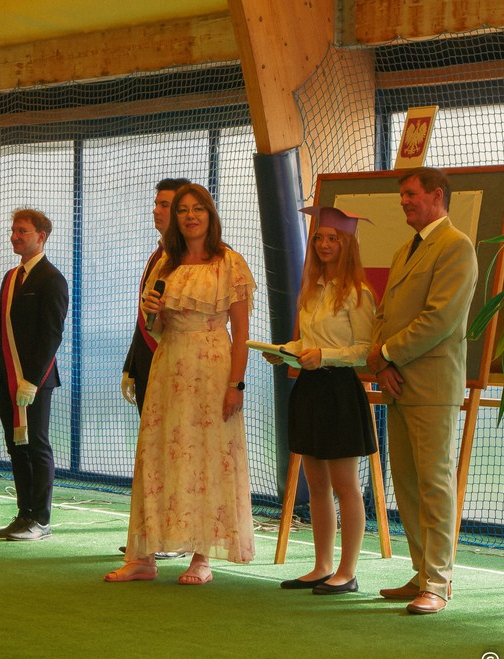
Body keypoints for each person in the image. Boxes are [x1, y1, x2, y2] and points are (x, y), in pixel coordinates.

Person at [105, 183, 256, 585]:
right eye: (183, 210)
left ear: (210, 215)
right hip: (168, 365)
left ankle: (202, 558)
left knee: (208, 456)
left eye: (198, 209)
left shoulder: (230, 263)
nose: (190, 217)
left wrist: (236, 385)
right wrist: (152, 313)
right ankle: (143, 556)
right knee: (158, 454)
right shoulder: (165, 264)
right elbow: (155, 326)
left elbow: (241, 332)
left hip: (212, 368)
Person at [366, 167, 477, 615]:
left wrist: (386, 353)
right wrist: (381, 362)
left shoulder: (456, 246)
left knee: (434, 484)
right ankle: (421, 572)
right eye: (402, 195)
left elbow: (440, 319)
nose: (404, 201)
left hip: (432, 385)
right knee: (408, 485)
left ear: (436, 195)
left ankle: (439, 582)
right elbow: (385, 313)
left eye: (411, 193)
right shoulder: (404, 250)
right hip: (397, 383)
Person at [267, 205, 377, 596]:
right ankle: (322, 566)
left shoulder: (359, 294)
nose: (324, 245)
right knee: (315, 484)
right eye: (319, 238)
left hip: (339, 389)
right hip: (310, 387)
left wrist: (324, 356)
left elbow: (365, 350)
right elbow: (308, 342)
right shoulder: (311, 289)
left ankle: (348, 572)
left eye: (333, 239)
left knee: (345, 484)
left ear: (347, 245)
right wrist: (285, 351)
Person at [0, 208, 69, 541]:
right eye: (13, 230)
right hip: (5, 376)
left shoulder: (52, 279)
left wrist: (31, 380)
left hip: (35, 381)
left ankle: (41, 520)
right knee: (15, 447)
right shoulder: (10, 277)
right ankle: (24, 515)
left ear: (41, 236)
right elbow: (2, 328)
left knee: (36, 446)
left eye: (22, 231)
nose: (14, 236)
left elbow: (52, 335)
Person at [118, 176, 191, 560]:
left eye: (166, 205)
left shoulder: (190, 261)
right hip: (149, 364)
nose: (156, 211)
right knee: (153, 452)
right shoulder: (157, 256)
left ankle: (178, 536)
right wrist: (132, 365)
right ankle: (154, 532)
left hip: (179, 366)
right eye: (157, 203)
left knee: (176, 451)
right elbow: (144, 317)